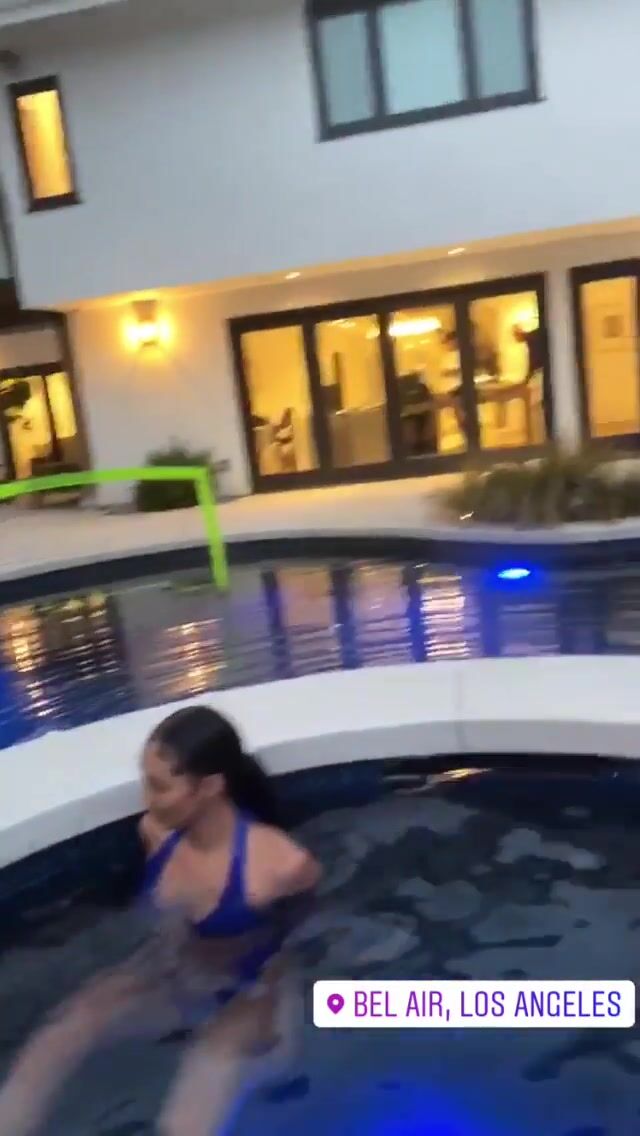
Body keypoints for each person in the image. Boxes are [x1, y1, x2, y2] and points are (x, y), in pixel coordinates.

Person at [0, 705, 321, 1136]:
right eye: (146, 782)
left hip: (249, 992)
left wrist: (264, 1009)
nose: (147, 799)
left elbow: (301, 936)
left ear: (210, 786)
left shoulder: (281, 865)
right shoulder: (157, 833)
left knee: (189, 1108)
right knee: (64, 1028)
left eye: (159, 787)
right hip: (170, 976)